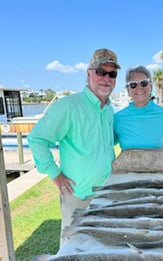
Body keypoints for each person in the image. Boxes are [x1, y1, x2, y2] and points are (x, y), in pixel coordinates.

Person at [28, 48, 120, 245]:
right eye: (100, 72)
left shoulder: (109, 109)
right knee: (73, 249)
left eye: (112, 73)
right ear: (89, 73)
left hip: (106, 193)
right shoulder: (68, 106)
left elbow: (105, 143)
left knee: (100, 248)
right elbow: (37, 138)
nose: (106, 78)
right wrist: (54, 173)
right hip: (78, 195)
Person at [114, 65, 163, 150]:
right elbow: (104, 144)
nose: (139, 88)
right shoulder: (117, 118)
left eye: (144, 83)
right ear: (128, 91)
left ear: (150, 86)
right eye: (133, 85)